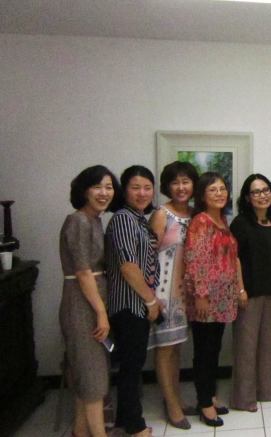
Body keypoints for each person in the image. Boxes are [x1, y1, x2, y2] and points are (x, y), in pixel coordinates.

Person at [59, 165, 119, 437]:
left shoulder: (95, 220)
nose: (104, 193)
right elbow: (83, 272)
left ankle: (80, 431)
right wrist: (101, 313)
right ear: (84, 190)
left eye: (109, 187)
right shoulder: (79, 222)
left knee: (90, 371)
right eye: (97, 187)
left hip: (94, 301)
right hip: (83, 305)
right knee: (92, 374)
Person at [105, 165, 161, 437]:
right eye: (135, 187)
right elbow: (128, 266)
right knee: (131, 366)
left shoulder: (138, 219)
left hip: (137, 303)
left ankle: (123, 422)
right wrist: (150, 301)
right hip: (129, 305)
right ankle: (136, 426)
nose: (142, 193)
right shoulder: (123, 219)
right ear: (124, 190)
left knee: (133, 364)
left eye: (147, 188)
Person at [184, 172, 243, 427]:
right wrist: (200, 295)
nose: (219, 193)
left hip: (223, 298)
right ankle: (204, 403)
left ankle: (210, 396)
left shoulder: (222, 220)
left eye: (222, 189)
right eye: (213, 190)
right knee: (205, 351)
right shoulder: (200, 221)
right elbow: (195, 260)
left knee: (214, 349)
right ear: (202, 195)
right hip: (206, 299)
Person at [147, 161, 199, 429]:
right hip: (163, 293)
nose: (181, 187)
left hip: (185, 295)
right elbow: (148, 257)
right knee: (165, 349)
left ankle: (176, 398)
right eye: (175, 182)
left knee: (177, 347)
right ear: (168, 186)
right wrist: (150, 297)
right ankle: (170, 405)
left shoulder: (195, 213)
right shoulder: (161, 214)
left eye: (186, 181)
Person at [229, 174, 271, 412]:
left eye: (266, 190)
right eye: (256, 192)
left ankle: (263, 391)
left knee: (267, 345)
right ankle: (244, 399)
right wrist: (240, 289)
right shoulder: (240, 223)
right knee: (246, 347)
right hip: (248, 294)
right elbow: (234, 258)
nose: (262, 195)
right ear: (247, 197)